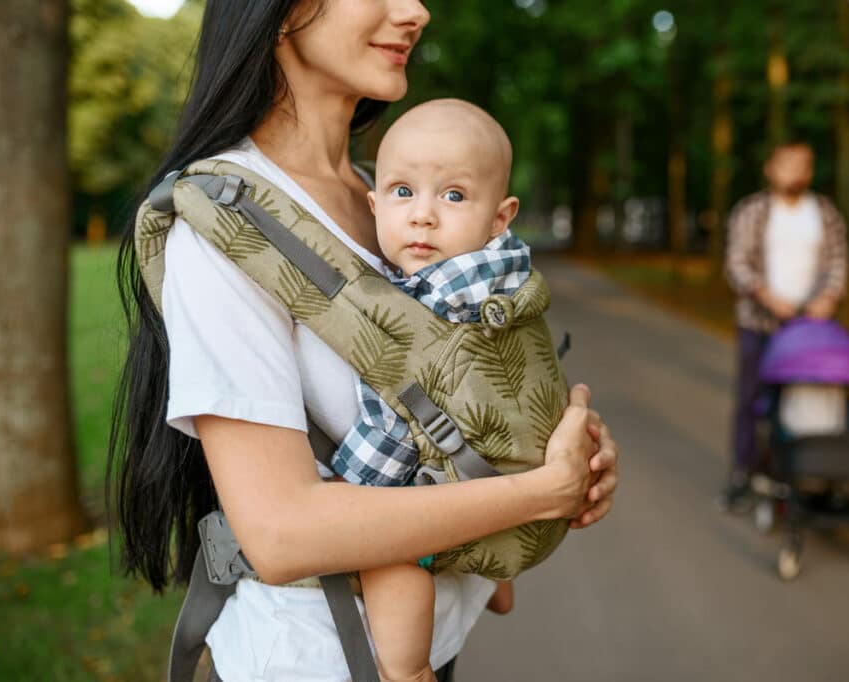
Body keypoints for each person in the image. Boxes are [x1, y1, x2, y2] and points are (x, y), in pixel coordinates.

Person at [107, 2, 619, 681]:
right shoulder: (229, 225)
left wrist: (555, 450)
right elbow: (280, 533)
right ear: (282, 13)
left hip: (432, 644)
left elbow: (458, 371)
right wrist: (540, 494)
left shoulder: (392, 199)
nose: (416, 10)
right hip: (319, 660)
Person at [334, 98, 527, 682]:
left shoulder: (440, 295)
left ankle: (408, 668)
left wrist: (353, 492)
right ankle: (495, 582)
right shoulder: (498, 267)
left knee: (391, 562)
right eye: (402, 192)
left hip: (443, 480)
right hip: (491, 472)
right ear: (373, 204)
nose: (422, 216)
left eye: (453, 196)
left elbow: (394, 414)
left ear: (500, 216)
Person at [719, 140, 849, 511]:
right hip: (759, 323)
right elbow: (737, 264)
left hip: (812, 330)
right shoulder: (752, 211)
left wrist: (828, 298)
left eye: (804, 164)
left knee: (813, 399)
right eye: (788, 164)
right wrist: (766, 296)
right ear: (771, 168)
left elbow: (839, 261)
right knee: (751, 400)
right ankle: (744, 474)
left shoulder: (825, 213)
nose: (796, 171)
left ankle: (808, 472)